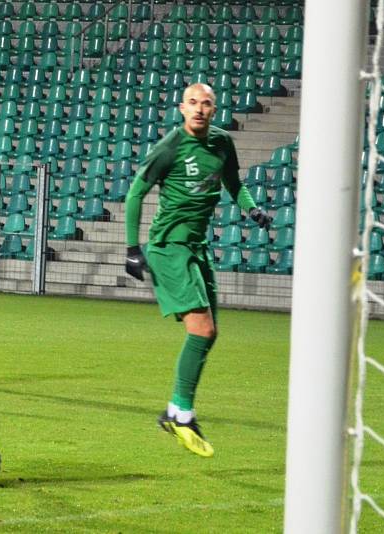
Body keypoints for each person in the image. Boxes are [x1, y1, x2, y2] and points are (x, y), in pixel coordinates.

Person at [123, 83, 273, 458]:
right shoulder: (170, 147)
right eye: (193, 103)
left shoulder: (222, 143)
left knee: (210, 333)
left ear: (214, 109)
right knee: (202, 328)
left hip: (197, 248)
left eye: (206, 103)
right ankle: (183, 416)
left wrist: (251, 208)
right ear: (181, 108)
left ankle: (174, 411)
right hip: (168, 247)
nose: (199, 109)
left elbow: (234, 185)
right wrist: (131, 248)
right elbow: (135, 194)